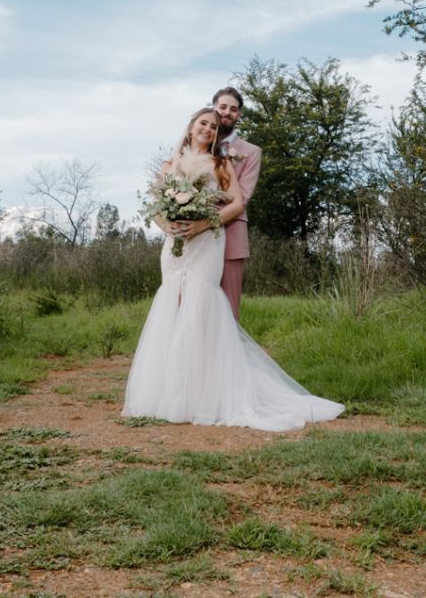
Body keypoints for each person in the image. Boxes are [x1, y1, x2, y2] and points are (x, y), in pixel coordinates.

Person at [122, 107, 343, 430]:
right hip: (176, 245)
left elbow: (237, 204)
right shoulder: (170, 165)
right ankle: (167, 393)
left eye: (213, 127)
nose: (208, 130)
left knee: (201, 306)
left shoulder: (221, 163)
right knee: (173, 304)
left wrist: (201, 224)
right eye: (203, 124)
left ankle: (203, 394)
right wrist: (169, 228)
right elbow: (156, 206)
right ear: (191, 126)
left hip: (208, 240)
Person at [213, 85, 261, 321]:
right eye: (223, 107)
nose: (227, 112)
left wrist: (207, 220)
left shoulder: (251, 152)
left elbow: (241, 197)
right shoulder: (199, 144)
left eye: (233, 109)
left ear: (238, 115)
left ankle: (227, 357)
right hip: (195, 237)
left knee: (229, 306)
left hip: (232, 232)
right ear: (214, 108)